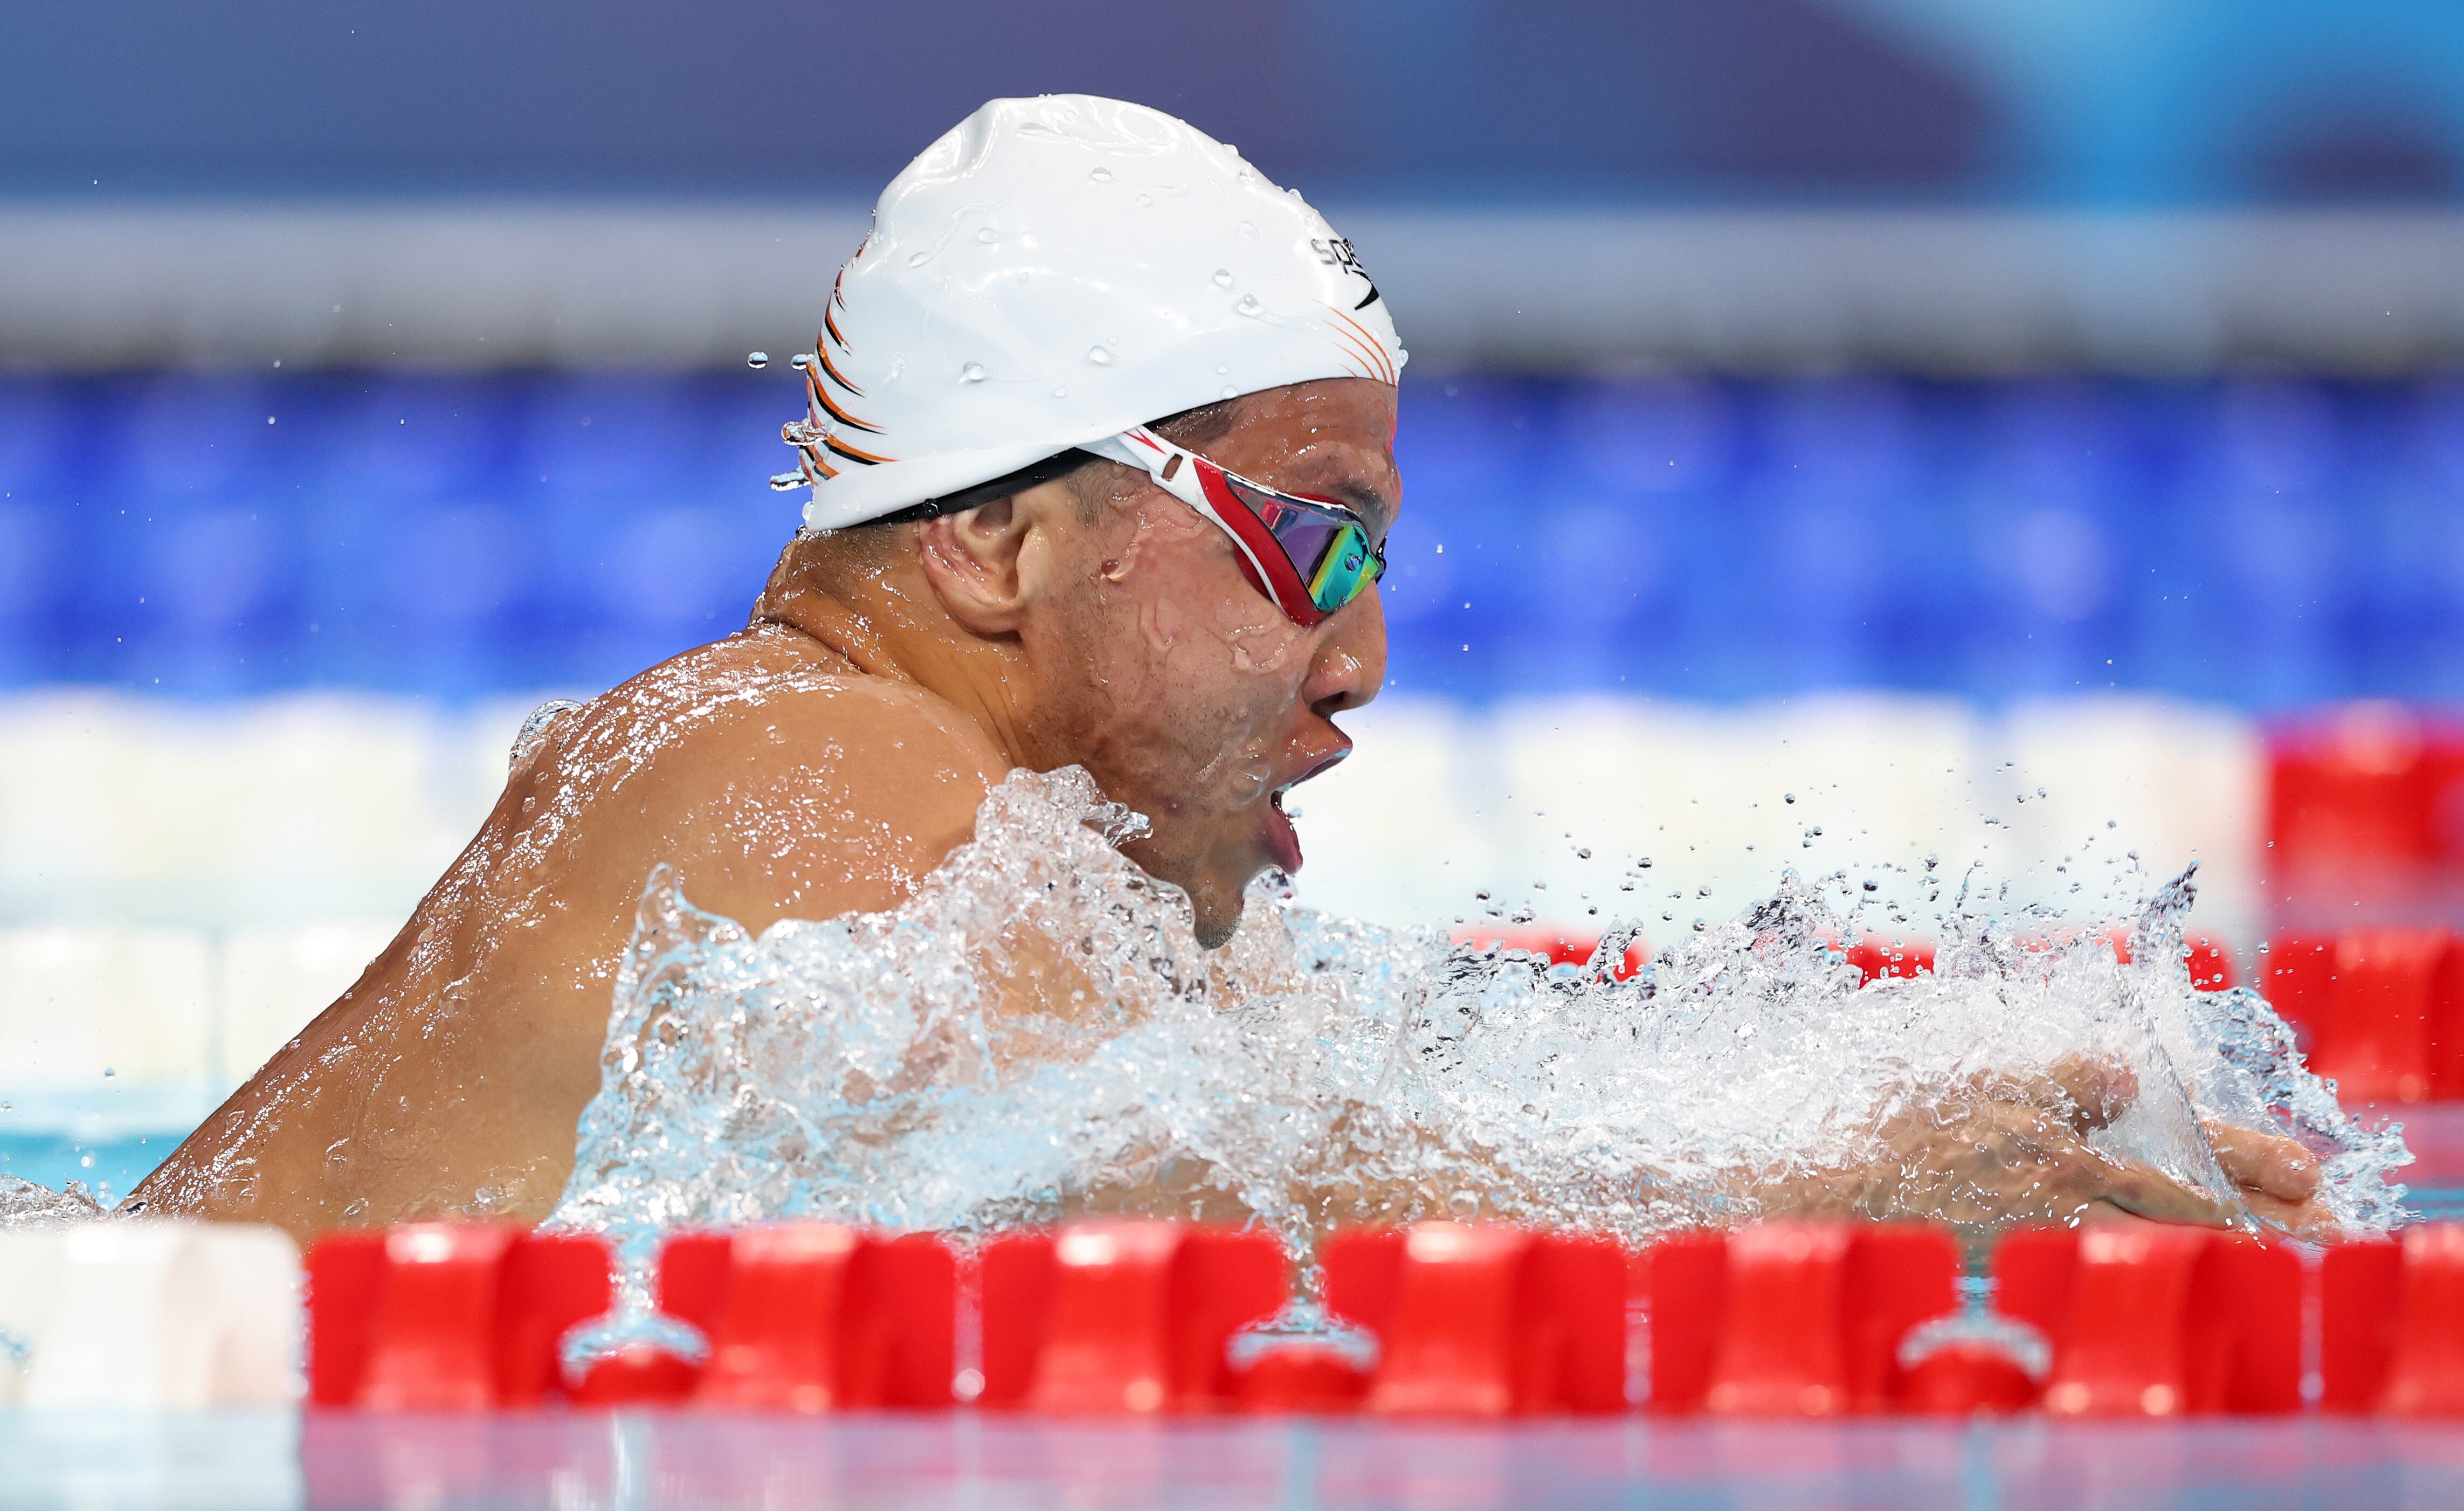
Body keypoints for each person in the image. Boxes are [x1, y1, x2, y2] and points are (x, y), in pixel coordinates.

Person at [131, 96, 2326, 1244]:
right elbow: (1136, 1171)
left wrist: (1875, 1076)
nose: (1361, 649)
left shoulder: (928, 813)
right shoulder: (793, 765)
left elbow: (1297, 1108)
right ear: (1001, 535)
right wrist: (1832, 1180)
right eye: (1309, 535)